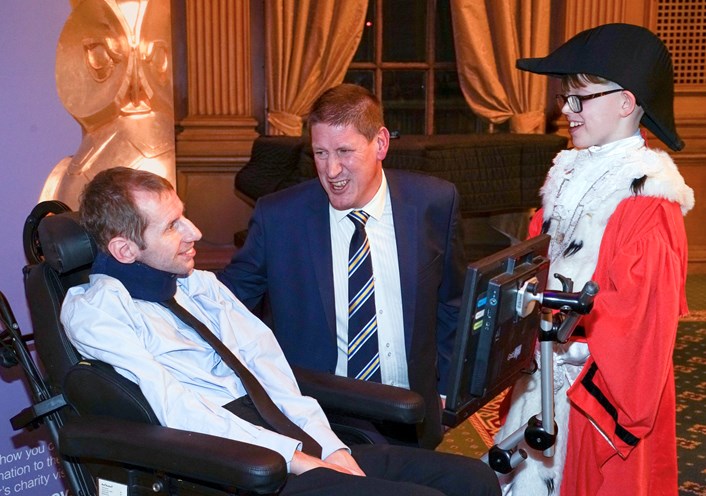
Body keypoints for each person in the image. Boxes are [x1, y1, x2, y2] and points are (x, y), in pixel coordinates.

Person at [61, 167, 500, 496]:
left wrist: (331, 449)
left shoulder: (198, 285)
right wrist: (297, 461)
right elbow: (177, 410)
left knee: (473, 480)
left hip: (289, 437)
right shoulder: (97, 311)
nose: (194, 231)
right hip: (236, 463)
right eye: (173, 225)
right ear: (123, 249)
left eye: (184, 215)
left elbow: (267, 368)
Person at [494, 24, 694, 495]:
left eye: (580, 97)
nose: (566, 108)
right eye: (565, 96)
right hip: (541, 380)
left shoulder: (648, 201)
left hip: (589, 397)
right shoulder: (567, 172)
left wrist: (563, 347)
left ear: (626, 102)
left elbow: (640, 331)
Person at [218, 83, 466, 449]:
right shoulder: (279, 217)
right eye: (320, 153)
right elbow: (227, 303)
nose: (331, 170)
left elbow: (452, 302)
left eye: (344, 152)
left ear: (380, 143)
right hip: (319, 418)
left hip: (411, 413)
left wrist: (446, 387)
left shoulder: (434, 202)